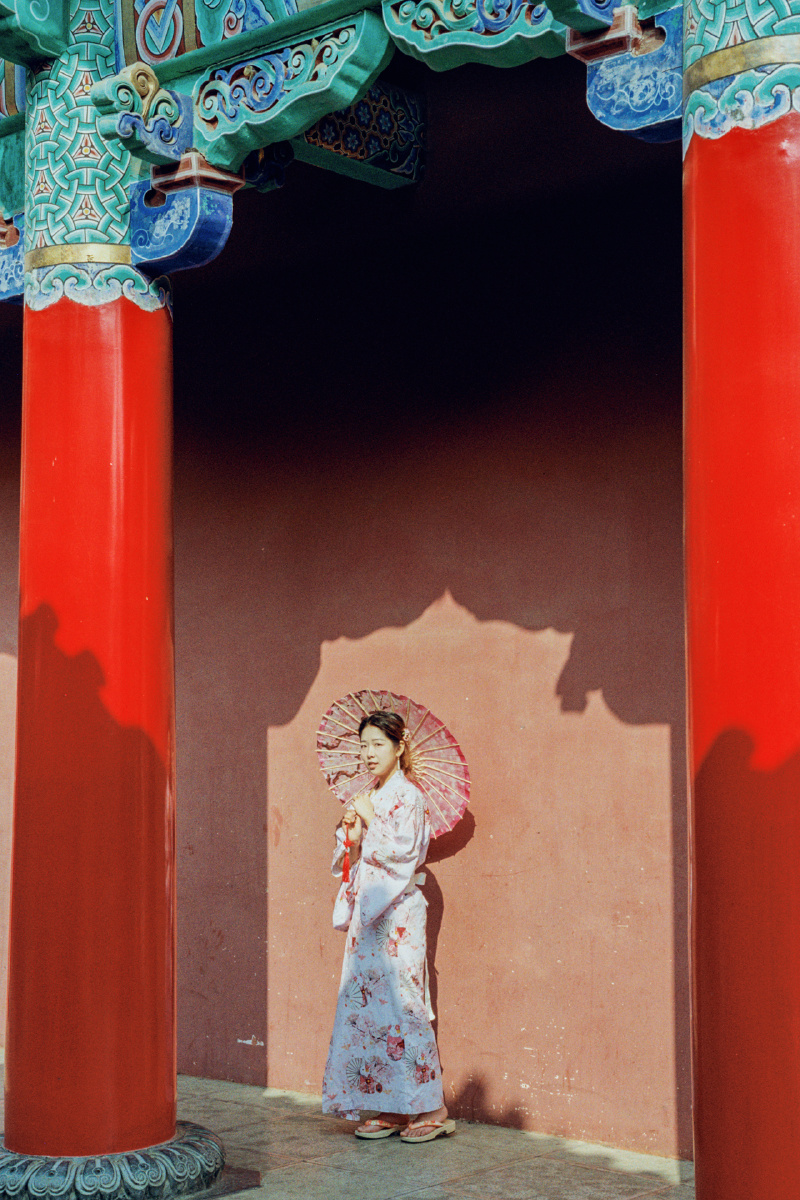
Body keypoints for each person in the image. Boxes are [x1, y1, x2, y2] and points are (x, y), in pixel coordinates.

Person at [322, 709, 455, 1143]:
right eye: (364, 745)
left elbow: (404, 854)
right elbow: (354, 862)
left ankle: (431, 1106)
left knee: (404, 1003)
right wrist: (352, 839)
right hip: (369, 915)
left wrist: (373, 820)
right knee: (369, 1008)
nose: (368, 753)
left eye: (378, 744)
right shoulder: (370, 796)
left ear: (399, 748)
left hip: (398, 914)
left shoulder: (409, 797)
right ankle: (393, 1105)